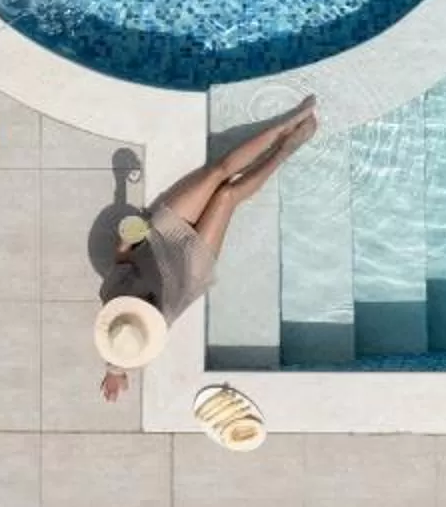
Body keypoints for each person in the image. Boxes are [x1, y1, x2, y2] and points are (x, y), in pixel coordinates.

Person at [93, 98, 319, 401]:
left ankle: (284, 125)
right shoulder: (156, 321)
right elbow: (128, 347)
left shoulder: (111, 294)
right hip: (190, 267)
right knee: (227, 195)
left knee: (217, 172)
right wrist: (116, 371)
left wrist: (128, 237)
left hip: (161, 237)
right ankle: (284, 151)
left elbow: (122, 257)